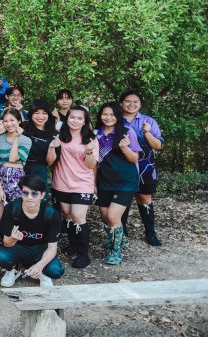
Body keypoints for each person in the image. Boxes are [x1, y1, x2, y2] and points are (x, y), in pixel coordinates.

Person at [0, 175, 64, 288]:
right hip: (19, 247)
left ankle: (42, 273)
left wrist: (40, 265)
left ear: (42, 195)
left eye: (34, 194)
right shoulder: (12, 209)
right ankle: (13, 270)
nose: (29, 197)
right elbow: (6, 243)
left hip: (41, 249)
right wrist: (13, 239)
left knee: (55, 271)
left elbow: (52, 248)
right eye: (25, 193)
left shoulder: (51, 213)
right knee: (0, 256)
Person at [51, 106, 99, 269]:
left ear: (85, 121)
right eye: (72, 117)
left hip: (82, 183)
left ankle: (83, 254)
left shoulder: (91, 138)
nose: (75, 121)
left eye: (79, 118)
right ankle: (73, 244)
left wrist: (89, 152)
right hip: (61, 182)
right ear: (67, 118)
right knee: (67, 215)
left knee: (78, 216)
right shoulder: (59, 134)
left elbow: (91, 165)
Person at [95, 102, 142, 264]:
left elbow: (134, 158)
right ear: (100, 116)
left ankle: (115, 252)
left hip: (125, 181)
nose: (108, 118)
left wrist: (125, 148)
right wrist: (93, 183)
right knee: (105, 217)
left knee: (113, 216)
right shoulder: (96, 134)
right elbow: (95, 162)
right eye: (105, 114)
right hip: (104, 180)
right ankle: (120, 239)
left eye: (112, 114)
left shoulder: (127, 132)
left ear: (118, 116)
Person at [120, 90, 164, 246]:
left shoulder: (148, 121)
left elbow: (158, 145)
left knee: (144, 198)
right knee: (122, 198)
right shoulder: (115, 120)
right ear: (121, 103)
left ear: (140, 104)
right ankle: (122, 232)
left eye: (136, 102)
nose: (132, 104)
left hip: (145, 165)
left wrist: (147, 132)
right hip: (122, 166)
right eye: (128, 101)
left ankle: (150, 232)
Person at [0, 109, 32, 224]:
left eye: (12, 120)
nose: (9, 124)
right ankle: (3, 234)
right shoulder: (0, 138)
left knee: (16, 215)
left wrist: (17, 137)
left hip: (17, 180)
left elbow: (13, 159)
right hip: (1, 179)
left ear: (19, 121)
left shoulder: (26, 140)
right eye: (5, 121)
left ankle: (16, 235)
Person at [22, 99, 61, 197]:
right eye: (36, 113)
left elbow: (50, 162)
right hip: (20, 167)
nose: (40, 116)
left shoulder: (54, 134)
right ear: (31, 114)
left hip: (39, 169)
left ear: (48, 115)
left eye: (44, 113)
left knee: (38, 198)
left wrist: (51, 147)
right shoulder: (23, 127)